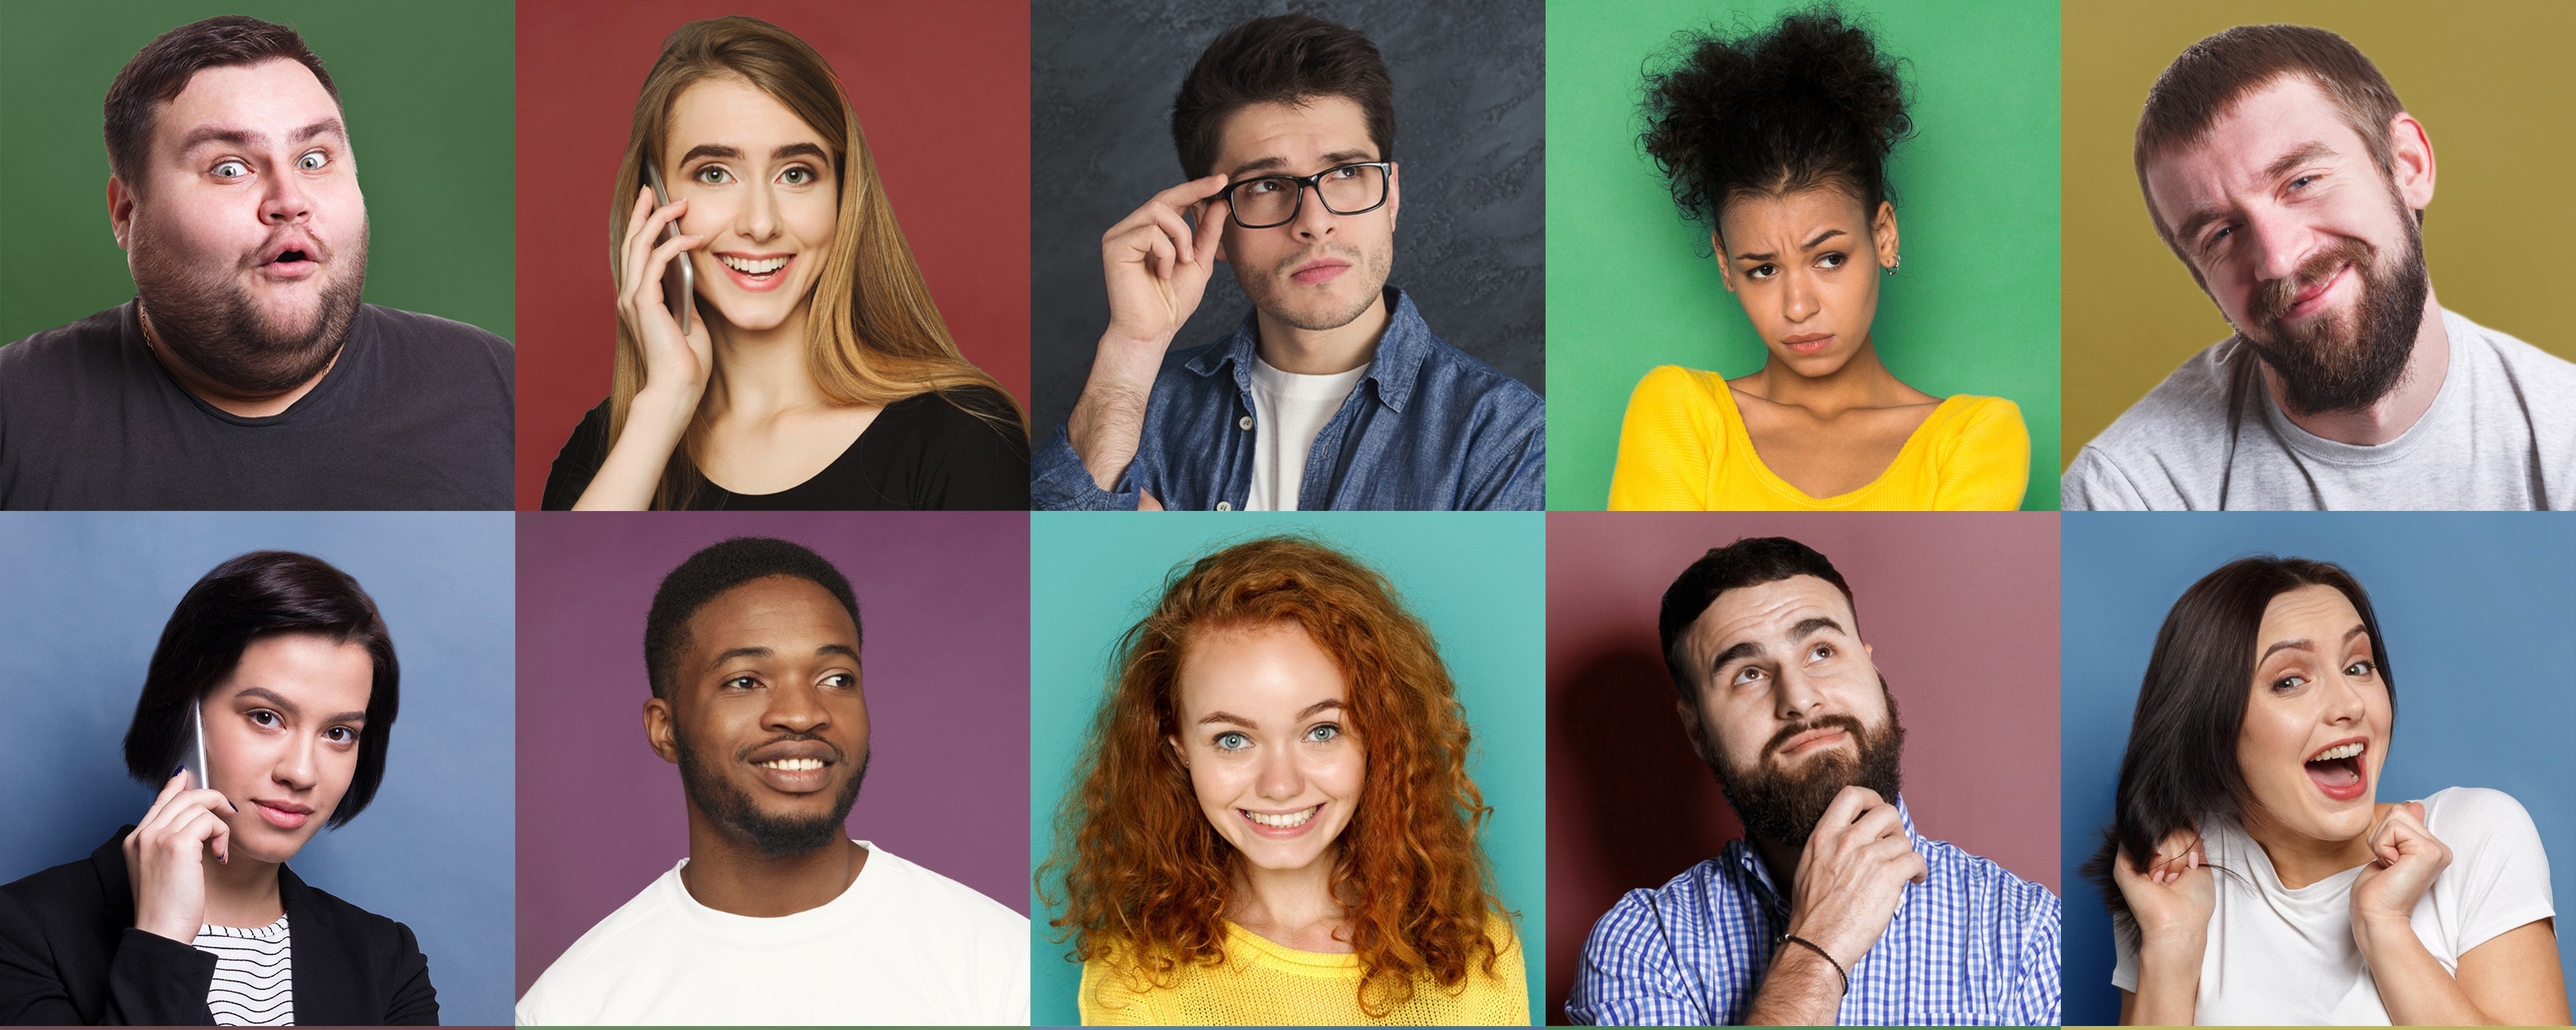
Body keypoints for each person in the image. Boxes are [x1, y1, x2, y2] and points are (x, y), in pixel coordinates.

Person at [1030, 14, 1544, 512]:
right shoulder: (1140, 405)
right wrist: (1131, 347)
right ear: (1215, 223)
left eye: (1345, 173)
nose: (1314, 222)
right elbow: (1053, 583)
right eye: (1266, 186)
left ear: (1391, 195)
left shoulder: (1505, 432)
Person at [0, 16, 513, 510]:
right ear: (128, 213)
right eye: (229, 168)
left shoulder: (497, 386)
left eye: (313, 159)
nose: (289, 201)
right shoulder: (14, 412)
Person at [515, 537, 1026, 1025]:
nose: (802, 715)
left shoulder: (1003, 963)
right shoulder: (569, 1007)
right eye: (745, 682)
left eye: (836, 679)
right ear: (665, 729)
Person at [2063, 25, 2576, 509]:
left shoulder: (2562, 443)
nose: (2278, 259)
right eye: (2221, 234)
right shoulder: (2127, 494)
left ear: (2408, 166)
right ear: (2202, 279)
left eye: (2302, 182)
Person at [541, 17, 1030, 511]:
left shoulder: (964, 436)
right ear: (651, 200)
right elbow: (564, 589)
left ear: (842, 195)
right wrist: (666, 401)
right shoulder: (610, 447)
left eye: (796, 174)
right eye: (715, 173)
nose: (760, 223)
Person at [1567, 537, 2058, 1024]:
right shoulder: (1643, 948)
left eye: (1822, 651)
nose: (1799, 699)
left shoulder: (2027, 934)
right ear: (1696, 729)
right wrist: (1818, 946)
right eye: (1749, 674)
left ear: (1872, 668)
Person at [1040, 536, 1528, 1024]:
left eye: (1321, 731)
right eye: (1232, 739)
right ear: (1178, 746)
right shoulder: (1132, 980)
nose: (1280, 785)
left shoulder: (1479, 955)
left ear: (1380, 737)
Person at [2083, 556, 2566, 1024]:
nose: (2349, 704)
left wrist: (2384, 927)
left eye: (2358, 667)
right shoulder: (2174, 873)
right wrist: (2171, 939)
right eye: (2290, 680)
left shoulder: (2476, 835)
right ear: (2212, 725)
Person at [1607, 9, 2029, 512]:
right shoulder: (1680, 412)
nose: (1798, 307)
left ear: (1884, 236)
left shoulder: (1973, 438)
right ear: (1725, 264)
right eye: (1763, 269)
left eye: (1829, 258)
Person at [0, 551, 435, 1024]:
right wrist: (161, 940)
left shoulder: (388, 961)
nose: (302, 773)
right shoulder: (22, 931)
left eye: (338, 733)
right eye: (266, 717)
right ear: (186, 716)